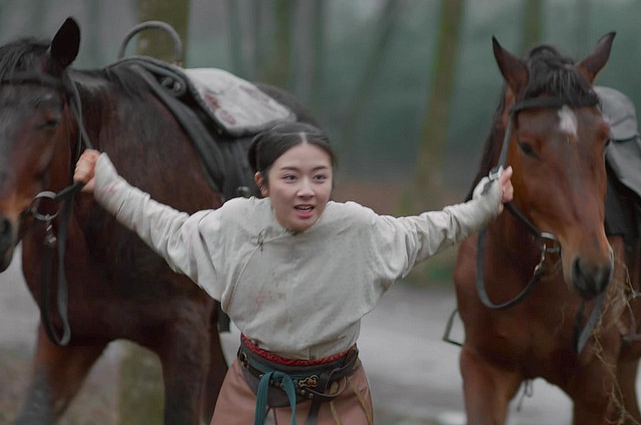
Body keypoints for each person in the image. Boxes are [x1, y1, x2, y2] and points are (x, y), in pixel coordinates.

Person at [73, 120, 513, 425]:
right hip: (251, 395)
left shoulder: (357, 229)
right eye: (290, 177)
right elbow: (164, 225)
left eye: (319, 177)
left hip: (338, 399)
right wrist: (107, 183)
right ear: (263, 184)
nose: (307, 191)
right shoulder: (233, 227)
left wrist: (487, 203)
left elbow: (430, 230)